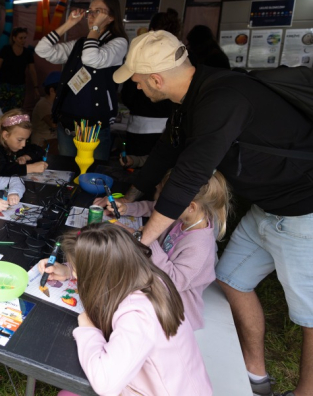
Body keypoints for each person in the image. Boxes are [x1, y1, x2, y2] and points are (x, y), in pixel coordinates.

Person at [113, 30, 313, 396]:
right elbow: (165, 152)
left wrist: (141, 242)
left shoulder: (222, 98)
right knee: (232, 279)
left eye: (138, 82)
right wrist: (129, 198)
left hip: (304, 211)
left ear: (157, 79)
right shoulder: (191, 95)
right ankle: (255, 376)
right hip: (267, 209)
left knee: (309, 315)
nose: (138, 89)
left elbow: (189, 175)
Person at [39, 224, 212, 396]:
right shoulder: (150, 278)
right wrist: (68, 270)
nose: (76, 276)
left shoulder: (137, 315)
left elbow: (105, 383)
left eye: (78, 272)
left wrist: (88, 329)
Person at [102, 170, 231, 330]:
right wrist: (127, 208)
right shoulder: (181, 214)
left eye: (166, 198)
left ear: (191, 206)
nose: (157, 189)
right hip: (153, 278)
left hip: (171, 309)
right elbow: (155, 208)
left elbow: (173, 282)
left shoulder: (200, 246)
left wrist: (148, 239)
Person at [35, 0, 128, 160]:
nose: (91, 16)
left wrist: (96, 28)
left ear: (112, 17)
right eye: (90, 11)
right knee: (67, 170)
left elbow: (91, 58)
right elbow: (42, 50)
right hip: (68, 120)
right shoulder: (81, 43)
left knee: (92, 173)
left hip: (94, 125)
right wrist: (69, 23)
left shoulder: (118, 43)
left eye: (98, 12)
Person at [120, 9, 178, 158]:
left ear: (151, 31)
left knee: (137, 172)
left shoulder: (140, 56)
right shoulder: (181, 57)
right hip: (172, 128)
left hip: (140, 127)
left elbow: (128, 94)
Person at [0, 109, 48, 177]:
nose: (24, 144)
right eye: (20, 140)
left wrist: (26, 157)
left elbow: (39, 150)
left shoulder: (17, 146)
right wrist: (29, 168)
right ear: (6, 135)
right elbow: (1, 170)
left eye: (26, 140)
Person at [0, 27, 39, 112]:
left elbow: (32, 70)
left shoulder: (27, 53)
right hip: (4, 85)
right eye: (20, 38)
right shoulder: (6, 50)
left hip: (19, 87)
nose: (23, 40)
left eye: (24, 38)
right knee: (1, 111)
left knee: (16, 112)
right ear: (14, 38)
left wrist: (36, 87)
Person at [31, 71, 60, 150]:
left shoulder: (55, 103)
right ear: (52, 90)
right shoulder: (43, 104)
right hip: (42, 143)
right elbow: (53, 124)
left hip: (52, 140)